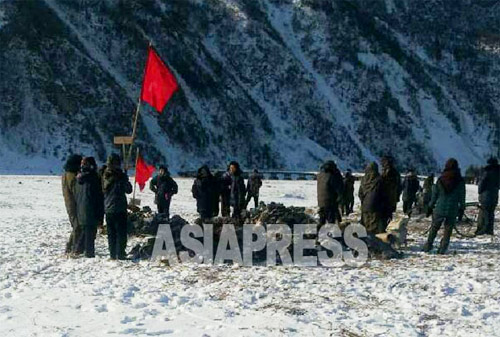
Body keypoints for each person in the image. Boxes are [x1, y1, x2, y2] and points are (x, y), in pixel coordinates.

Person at [424, 158, 466, 254]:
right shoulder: (460, 181)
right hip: (452, 209)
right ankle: (442, 249)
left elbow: (434, 196)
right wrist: (462, 209)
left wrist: (430, 207)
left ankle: (428, 246)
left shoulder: (441, 179)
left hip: (440, 208)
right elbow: (462, 197)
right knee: (448, 230)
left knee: (434, 228)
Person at [102, 154, 132, 260]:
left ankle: (114, 254)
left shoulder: (105, 174)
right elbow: (128, 189)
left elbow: (128, 189)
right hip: (118, 208)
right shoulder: (114, 176)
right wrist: (123, 179)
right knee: (120, 232)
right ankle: (119, 253)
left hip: (109, 208)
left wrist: (124, 179)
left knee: (112, 233)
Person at [74, 157, 104, 258]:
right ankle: (89, 255)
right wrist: (100, 214)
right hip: (91, 209)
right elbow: (98, 196)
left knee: (85, 231)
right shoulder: (93, 178)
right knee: (90, 234)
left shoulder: (79, 178)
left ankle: (78, 250)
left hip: (81, 209)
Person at [62, 154, 82, 254]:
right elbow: (76, 190)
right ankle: (72, 247)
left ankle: (72, 247)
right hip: (74, 203)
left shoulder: (66, 174)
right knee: (77, 225)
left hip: (70, 203)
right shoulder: (72, 176)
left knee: (76, 225)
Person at [358, 162, 384, 234]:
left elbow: (360, 193)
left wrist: (363, 201)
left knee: (365, 225)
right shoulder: (379, 179)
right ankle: (372, 242)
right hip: (375, 205)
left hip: (365, 205)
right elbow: (382, 193)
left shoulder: (364, 179)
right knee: (373, 227)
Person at [476, 157, 500, 236]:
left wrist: (480, 192)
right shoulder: (498, 172)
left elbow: (482, 183)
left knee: (483, 213)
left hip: (486, 195)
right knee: (491, 213)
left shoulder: (487, 172)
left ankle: (482, 229)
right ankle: (490, 229)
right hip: (495, 195)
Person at [317, 160, 344, 225]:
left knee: (322, 220)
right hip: (330, 201)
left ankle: (318, 233)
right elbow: (338, 188)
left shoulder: (320, 175)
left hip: (321, 202)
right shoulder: (331, 176)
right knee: (331, 221)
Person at [380, 156, 402, 230]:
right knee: (387, 216)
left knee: (383, 217)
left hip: (384, 199)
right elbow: (399, 187)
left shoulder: (386, 173)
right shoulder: (395, 173)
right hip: (391, 199)